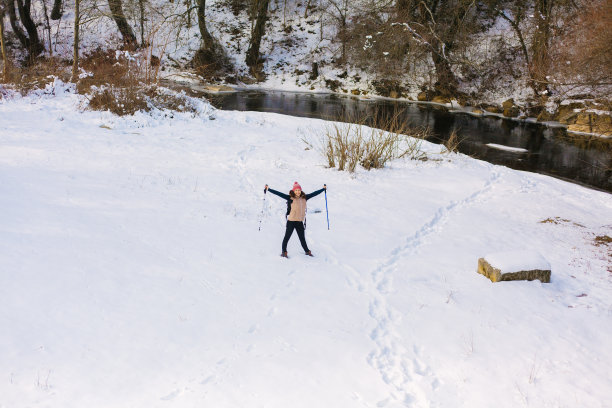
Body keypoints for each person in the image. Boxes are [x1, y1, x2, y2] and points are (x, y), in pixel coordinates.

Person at [265, 182, 326, 258]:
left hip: (299, 222)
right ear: (294, 191)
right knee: (287, 237)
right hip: (291, 222)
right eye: (296, 190)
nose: (297, 192)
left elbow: (314, 193)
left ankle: (307, 251)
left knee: (302, 238)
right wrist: (269, 189)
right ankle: (284, 252)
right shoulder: (290, 198)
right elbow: (279, 193)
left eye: (299, 190)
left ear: (301, 191)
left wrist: (323, 189)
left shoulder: (304, 198)